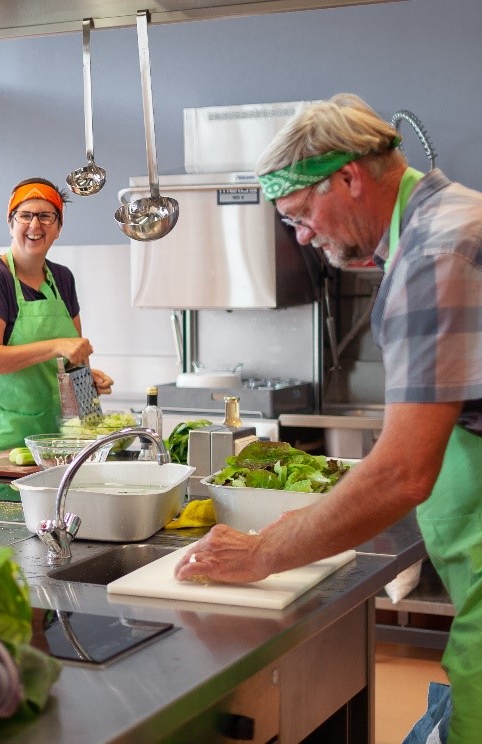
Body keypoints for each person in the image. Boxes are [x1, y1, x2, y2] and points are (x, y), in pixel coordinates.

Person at [173, 94, 482, 742]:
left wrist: (263, 553)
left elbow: (401, 472)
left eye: (299, 214)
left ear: (348, 177)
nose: (303, 238)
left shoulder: (432, 252)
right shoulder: (444, 222)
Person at [0, 178, 113, 458]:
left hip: (46, 434)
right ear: (11, 223)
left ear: (59, 227)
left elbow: (75, 357)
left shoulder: (62, 279)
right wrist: (55, 347)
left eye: (46, 216)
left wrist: (88, 385)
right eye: (25, 216)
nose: (35, 226)